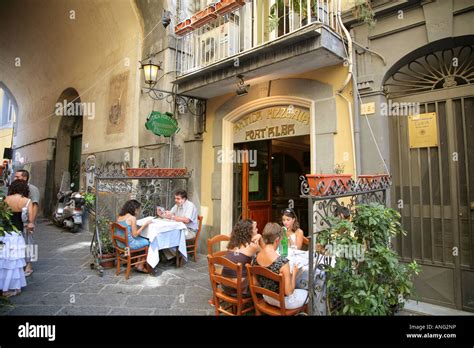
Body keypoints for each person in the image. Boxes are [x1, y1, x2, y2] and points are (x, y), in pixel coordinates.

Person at [251, 222, 308, 309]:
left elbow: (255, 283)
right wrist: (295, 273)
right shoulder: (282, 262)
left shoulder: (255, 258)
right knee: (309, 293)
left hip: (266, 297)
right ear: (277, 240)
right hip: (283, 302)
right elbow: (289, 292)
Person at [1, 180, 33, 296]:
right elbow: (29, 220)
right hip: (17, 234)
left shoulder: (5, 200)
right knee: (14, 262)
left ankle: (6, 286)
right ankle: (11, 287)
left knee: (4, 261)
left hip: (4, 233)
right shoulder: (27, 201)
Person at [221, 219, 263, 296]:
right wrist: (260, 237)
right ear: (249, 232)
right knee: (264, 275)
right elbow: (265, 255)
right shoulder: (252, 247)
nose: (257, 230)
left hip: (225, 285)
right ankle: (262, 302)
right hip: (239, 289)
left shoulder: (233, 243)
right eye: (255, 228)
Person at [157, 189, 198, 261]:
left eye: (178, 199)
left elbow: (186, 220)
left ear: (184, 199)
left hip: (190, 231)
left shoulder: (190, 206)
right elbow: (170, 214)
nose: (176, 200)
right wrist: (162, 214)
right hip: (179, 228)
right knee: (163, 235)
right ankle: (176, 255)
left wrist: (172, 217)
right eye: (175, 198)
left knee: (169, 236)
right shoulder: (177, 205)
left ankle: (179, 255)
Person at [14, 169, 39, 276]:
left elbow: (35, 205)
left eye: (17, 177)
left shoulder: (32, 189)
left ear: (24, 178)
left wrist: (31, 222)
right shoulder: (17, 188)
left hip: (27, 219)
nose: (15, 179)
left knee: (29, 243)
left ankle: (29, 266)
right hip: (17, 219)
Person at [116, 200, 151, 273]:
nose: (138, 211)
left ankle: (131, 261)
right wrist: (145, 225)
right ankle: (140, 265)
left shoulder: (120, 216)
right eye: (138, 209)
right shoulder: (132, 218)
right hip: (129, 245)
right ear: (134, 209)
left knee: (140, 240)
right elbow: (135, 234)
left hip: (120, 244)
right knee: (148, 241)